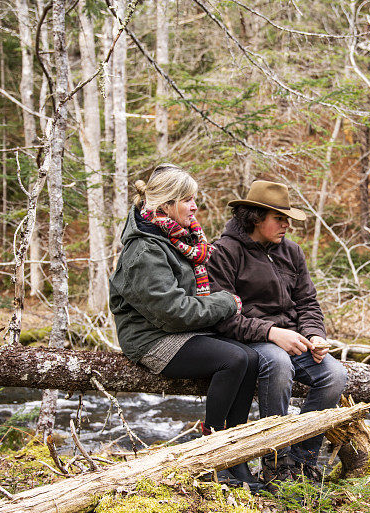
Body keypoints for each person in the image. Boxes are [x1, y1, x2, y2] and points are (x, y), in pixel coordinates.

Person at [109, 164, 261, 487]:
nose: (195, 206)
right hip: (152, 338)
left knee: (250, 358)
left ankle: (237, 458)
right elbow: (173, 311)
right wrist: (224, 303)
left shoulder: (176, 236)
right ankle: (211, 455)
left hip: (178, 330)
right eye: (188, 200)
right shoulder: (144, 249)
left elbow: (186, 300)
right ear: (166, 205)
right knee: (233, 360)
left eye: (194, 199)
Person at [207, 180, 348, 483]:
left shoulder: (292, 252)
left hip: (295, 338)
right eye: (280, 218)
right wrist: (271, 332)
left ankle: (302, 461)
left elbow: (308, 302)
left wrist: (314, 335)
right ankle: (276, 461)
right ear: (256, 217)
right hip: (250, 340)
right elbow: (224, 316)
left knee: (335, 376)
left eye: (288, 219)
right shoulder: (224, 252)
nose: (287, 225)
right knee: (279, 363)